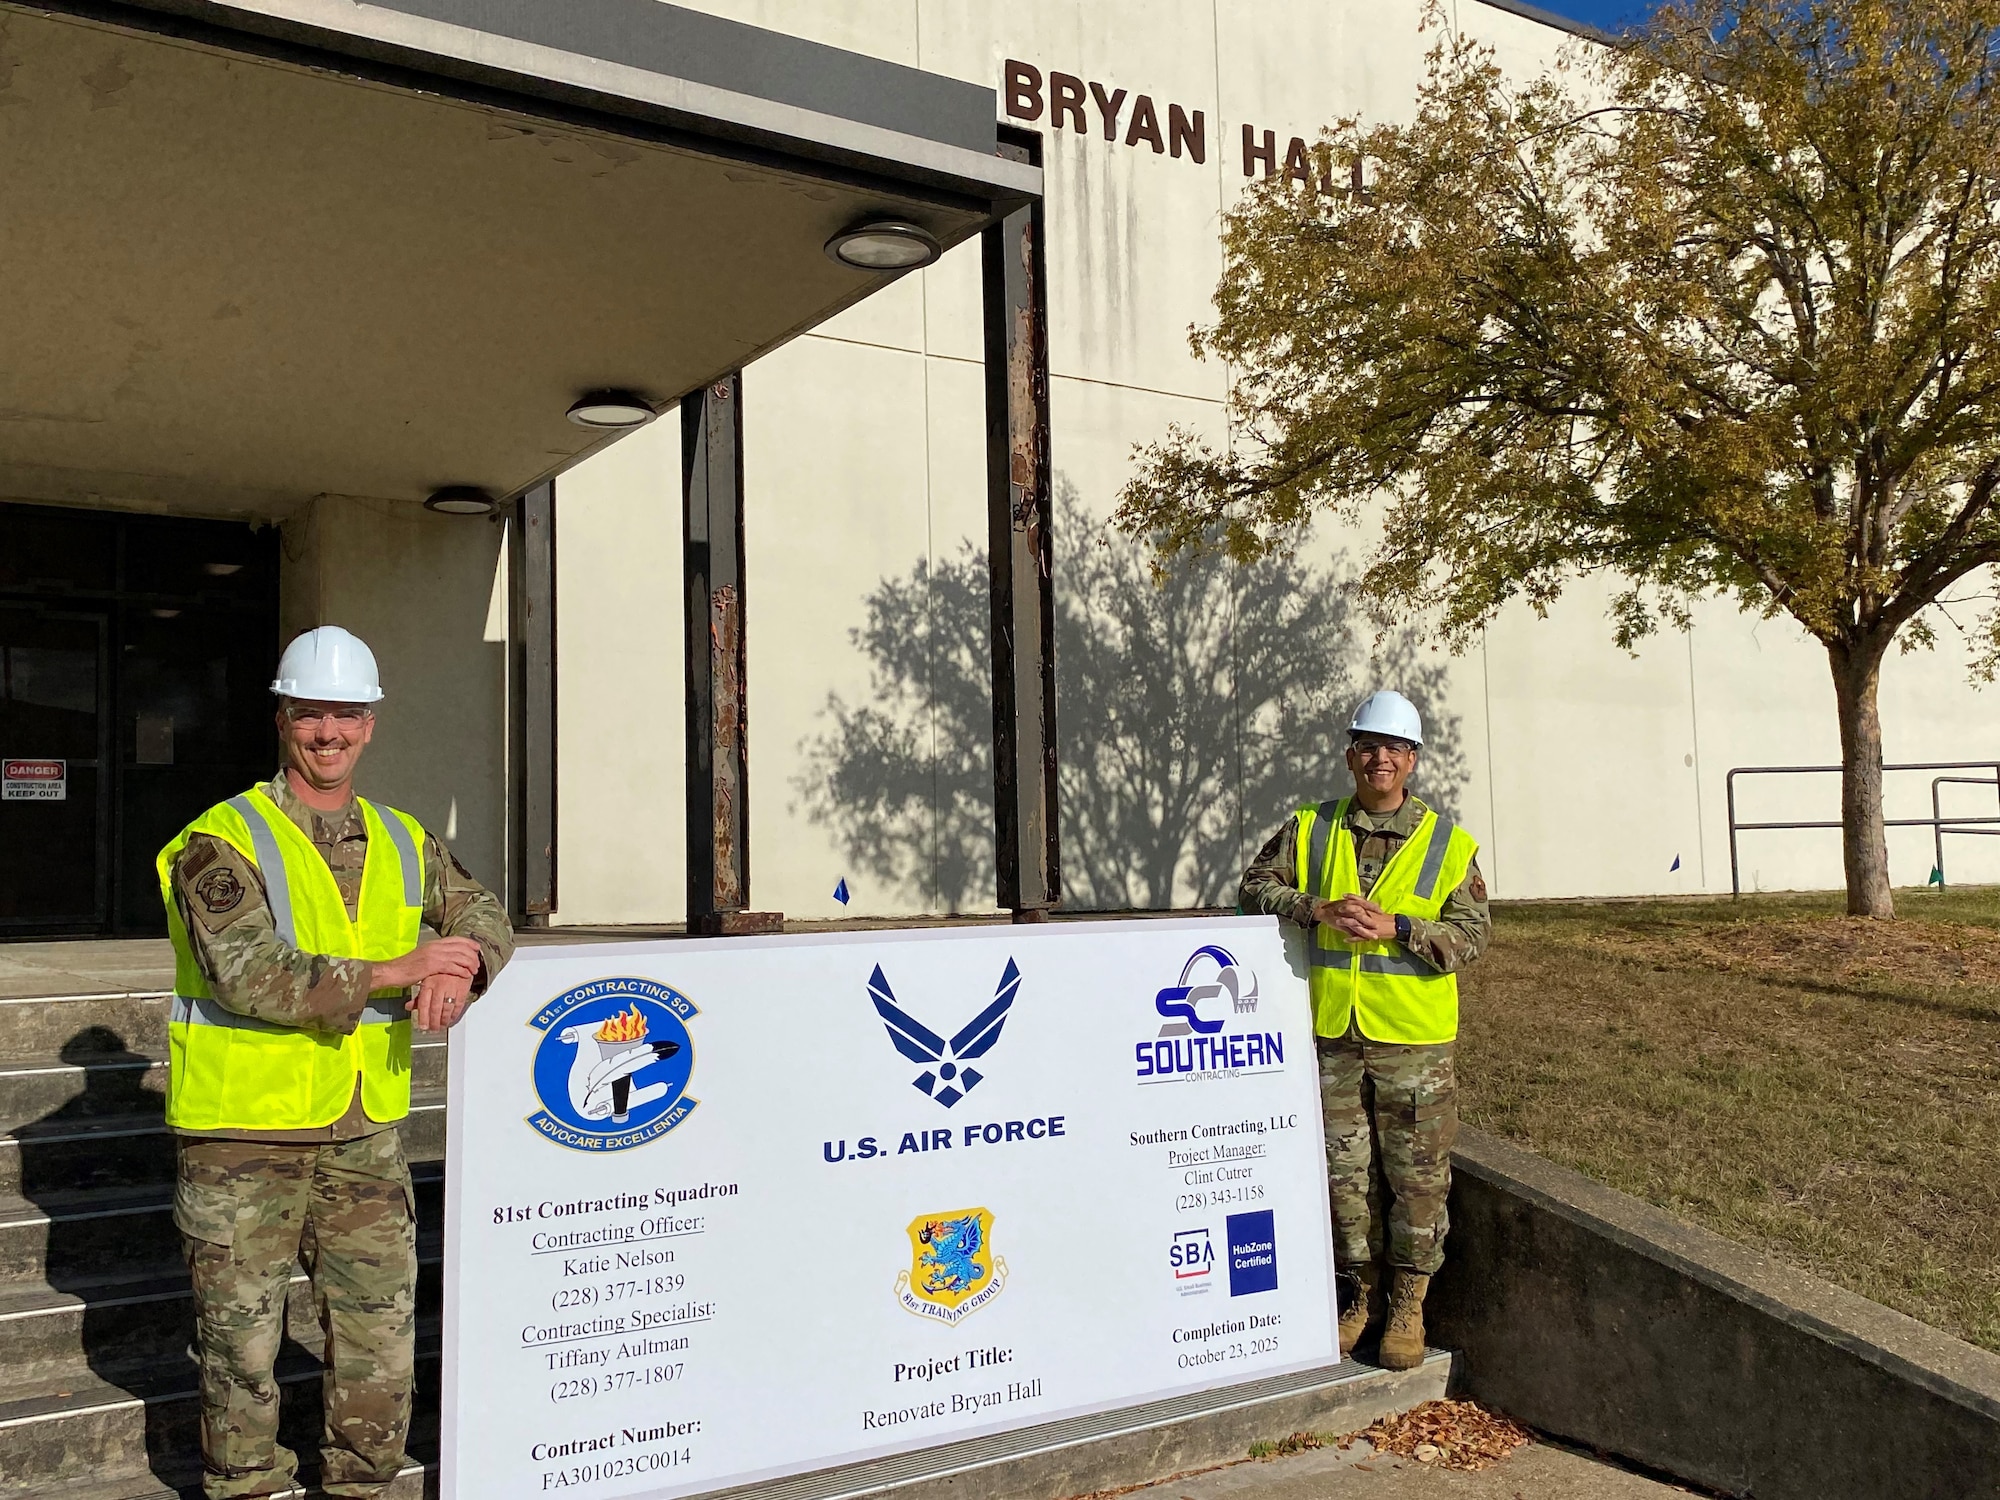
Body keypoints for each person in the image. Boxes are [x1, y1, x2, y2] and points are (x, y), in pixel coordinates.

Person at [157, 625, 514, 1499]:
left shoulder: (401, 836)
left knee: (380, 1336)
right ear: (284, 719)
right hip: (243, 1138)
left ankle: (363, 1485)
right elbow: (249, 974)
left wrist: (463, 964)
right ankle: (246, 1488)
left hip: (364, 1132)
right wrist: (402, 969)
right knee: (240, 1346)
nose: (330, 733)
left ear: (371, 725)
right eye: (312, 714)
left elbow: (486, 916)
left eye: (346, 715)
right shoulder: (218, 839)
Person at [1238, 689, 1489, 1370]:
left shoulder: (1447, 842)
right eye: (1368, 746)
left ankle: (1409, 1303)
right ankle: (1359, 1297)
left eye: (1394, 749)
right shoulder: (1310, 827)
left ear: (1412, 762)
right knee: (1342, 1177)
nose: (1380, 758)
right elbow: (1254, 887)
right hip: (1332, 1038)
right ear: (1352, 756)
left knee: (1415, 1181)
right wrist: (1313, 907)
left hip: (1413, 1044)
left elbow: (1471, 937)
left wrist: (1398, 927)